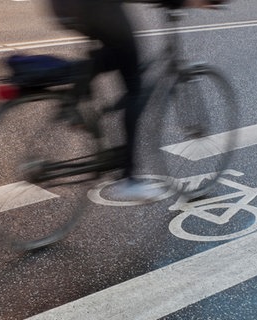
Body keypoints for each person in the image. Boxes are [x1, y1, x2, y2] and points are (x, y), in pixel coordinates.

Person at [49, 0, 228, 200]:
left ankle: (73, 96)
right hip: (93, 7)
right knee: (134, 85)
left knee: (116, 54)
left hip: (71, 7)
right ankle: (129, 179)